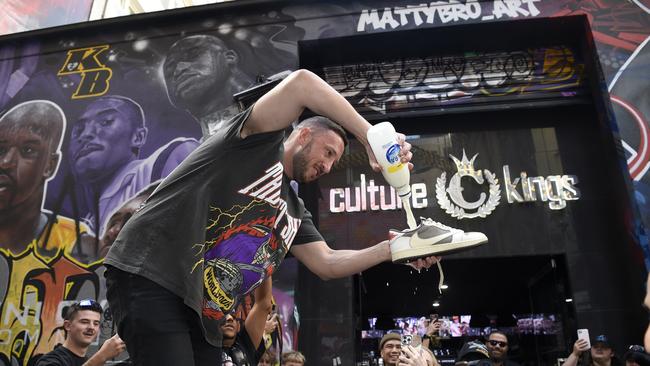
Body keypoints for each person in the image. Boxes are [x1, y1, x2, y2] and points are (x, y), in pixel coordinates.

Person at [104, 69, 486, 365]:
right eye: (329, 152)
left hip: (203, 311)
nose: (329, 164)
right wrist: (370, 135)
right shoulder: (253, 142)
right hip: (152, 275)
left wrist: (394, 248)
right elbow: (302, 83)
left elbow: (328, 263)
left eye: (335, 160)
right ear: (302, 136)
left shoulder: (293, 210)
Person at [68, 95, 197, 236]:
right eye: (79, 130)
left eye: (106, 121)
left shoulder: (172, 157)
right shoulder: (84, 225)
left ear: (138, 137)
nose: (85, 134)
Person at [0, 99, 91, 258]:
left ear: (50, 165)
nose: (6, 162)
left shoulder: (77, 247)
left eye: (27, 150)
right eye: (1, 149)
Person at [162, 34, 255, 137]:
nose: (179, 70)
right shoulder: (184, 150)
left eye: (192, 55)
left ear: (230, 58)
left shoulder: (273, 102)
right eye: (170, 69)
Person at [35, 299, 126, 366]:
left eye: (96, 323)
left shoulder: (88, 361)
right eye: (84, 322)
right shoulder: (50, 361)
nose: (91, 327)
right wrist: (102, 356)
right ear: (67, 325)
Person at [222, 277, 273, 365]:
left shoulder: (245, 344)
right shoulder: (201, 346)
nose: (229, 318)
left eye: (234, 317)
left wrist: (266, 265)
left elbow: (263, 304)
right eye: (223, 316)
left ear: (238, 326)